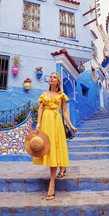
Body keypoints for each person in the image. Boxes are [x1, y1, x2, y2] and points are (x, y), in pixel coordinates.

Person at [34, 72, 78, 200]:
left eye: (54, 77)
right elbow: (40, 109)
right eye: (51, 77)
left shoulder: (61, 96)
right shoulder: (43, 95)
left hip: (56, 122)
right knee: (48, 148)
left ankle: (52, 184)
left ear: (58, 82)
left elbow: (64, 112)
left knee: (55, 148)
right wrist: (38, 124)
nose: (51, 78)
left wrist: (71, 126)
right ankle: (62, 167)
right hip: (46, 123)